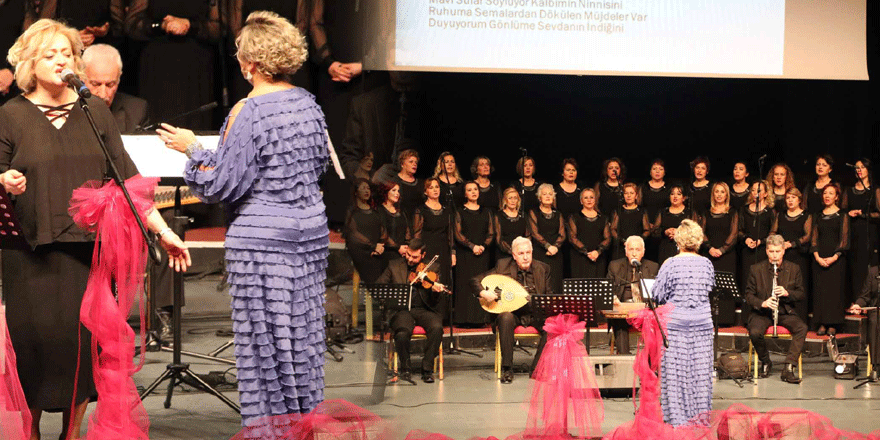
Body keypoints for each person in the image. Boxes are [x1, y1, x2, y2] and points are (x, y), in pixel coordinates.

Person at [1, 19, 189, 439]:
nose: (61, 61)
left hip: (86, 254)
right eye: (50, 54)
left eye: (67, 53)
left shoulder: (93, 110)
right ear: (30, 63)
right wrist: (4, 180)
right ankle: (31, 433)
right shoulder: (10, 116)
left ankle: (71, 435)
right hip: (29, 255)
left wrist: (163, 233)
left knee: (80, 351)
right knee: (34, 349)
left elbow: (128, 183)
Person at [157, 11, 328, 422]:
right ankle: (300, 424)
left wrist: (192, 150)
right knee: (301, 341)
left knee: (268, 349)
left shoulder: (248, 110)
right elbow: (318, 164)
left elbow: (219, 186)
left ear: (251, 62)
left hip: (263, 245)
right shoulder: (307, 103)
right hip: (309, 236)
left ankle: (275, 428)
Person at [651, 219, 714, 427]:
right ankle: (699, 418)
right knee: (700, 374)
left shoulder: (670, 263)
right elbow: (708, 290)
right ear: (698, 240)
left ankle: (677, 420)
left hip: (676, 326)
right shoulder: (707, 264)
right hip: (702, 325)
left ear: (678, 240)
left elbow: (658, 295)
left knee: (676, 375)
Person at [125, 0, 221, 131]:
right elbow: (131, 26)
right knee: (157, 124)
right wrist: (161, 25)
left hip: (196, 68)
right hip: (158, 66)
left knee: (196, 125)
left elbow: (219, 29)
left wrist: (189, 25)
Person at [473, 237, 553, 384]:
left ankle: (536, 368)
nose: (525, 257)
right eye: (521, 253)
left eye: (528, 252)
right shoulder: (503, 265)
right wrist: (483, 293)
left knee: (553, 325)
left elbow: (548, 296)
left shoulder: (543, 268)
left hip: (535, 314)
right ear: (514, 255)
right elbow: (475, 280)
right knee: (505, 318)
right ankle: (507, 369)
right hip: (513, 314)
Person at [375, 239, 446, 383]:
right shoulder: (394, 265)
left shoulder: (433, 267)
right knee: (402, 333)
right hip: (402, 311)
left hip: (424, 309)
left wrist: (435, 290)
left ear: (423, 255)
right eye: (408, 255)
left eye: (415, 257)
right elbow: (379, 287)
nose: (410, 259)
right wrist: (391, 298)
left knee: (437, 328)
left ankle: (427, 368)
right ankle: (405, 368)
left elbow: (436, 299)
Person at [744, 234, 807, 384]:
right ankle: (766, 361)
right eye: (771, 251)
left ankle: (789, 367)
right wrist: (763, 303)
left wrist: (787, 293)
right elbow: (748, 295)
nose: (774, 255)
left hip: (785, 311)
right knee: (755, 332)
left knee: (802, 328)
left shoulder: (794, 268)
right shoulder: (756, 269)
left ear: (783, 250)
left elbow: (801, 294)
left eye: (777, 251)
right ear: (766, 251)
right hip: (762, 312)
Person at [605, 236, 659, 354]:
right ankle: (624, 356)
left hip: (644, 309)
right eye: (631, 249)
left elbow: (656, 292)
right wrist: (613, 297)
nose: (634, 253)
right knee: (619, 321)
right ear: (626, 252)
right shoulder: (615, 266)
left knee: (653, 319)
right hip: (622, 309)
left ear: (643, 252)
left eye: (637, 250)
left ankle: (650, 358)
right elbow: (608, 290)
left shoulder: (652, 267)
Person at [82, 43, 149, 133]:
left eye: (110, 85)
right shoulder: (66, 109)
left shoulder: (137, 111)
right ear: (81, 78)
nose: (102, 95)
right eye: (95, 84)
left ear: (118, 79)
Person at [453, 181, 494, 327]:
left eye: (475, 189)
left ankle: (480, 319)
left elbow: (491, 232)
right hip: (465, 253)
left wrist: (483, 246)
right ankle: (463, 319)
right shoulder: (460, 211)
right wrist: (472, 246)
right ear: (465, 194)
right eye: (469, 190)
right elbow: (458, 233)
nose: (473, 192)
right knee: (465, 285)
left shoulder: (486, 211)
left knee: (481, 284)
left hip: (482, 254)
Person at [811, 183, 849, 336]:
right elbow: (814, 239)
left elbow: (844, 240)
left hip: (836, 259)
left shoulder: (842, 215)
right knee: (820, 291)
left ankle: (833, 324)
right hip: (819, 258)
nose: (827, 196)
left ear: (837, 197)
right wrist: (817, 257)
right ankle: (822, 322)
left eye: (831, 193)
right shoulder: (818, 215)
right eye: (825, 193)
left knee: (834, 291)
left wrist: (834, 257)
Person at [771, 187, 812, 322]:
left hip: (799, 255)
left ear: (799, 200)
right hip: (783, 256)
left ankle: (800, 318)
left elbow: (807, 236)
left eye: (793, 197)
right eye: (788, 198)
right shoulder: (780, 215)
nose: (790, 200)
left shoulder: (806, 215)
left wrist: (792, 244)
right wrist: (779, 243)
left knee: (798, 285)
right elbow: (773, 232)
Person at [842, 159, 880, 305]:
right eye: (857, 167)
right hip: (852, 233)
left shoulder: (874, 190)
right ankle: (853, 302)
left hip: (868, 233)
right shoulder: (849, 190)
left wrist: (863, 215)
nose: (859, 170)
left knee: (866, 268)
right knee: (853, 268)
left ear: (868, 170)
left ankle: (866, 303)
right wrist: (848, 213)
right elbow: (842, 211)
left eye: (862, 167)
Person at [343, 179, 387, 283]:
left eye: (368, 188)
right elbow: (353, 234)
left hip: (376, 252)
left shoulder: (375, 211)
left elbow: (383, 230)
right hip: (360, 251)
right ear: (356, 192)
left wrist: (380, 245)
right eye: (363, 188)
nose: (367, 191)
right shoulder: (351, 211)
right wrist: (373, 246)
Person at [530, 183, 565, 295]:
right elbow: (534, 233)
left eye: (550, 194)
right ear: (539, 197)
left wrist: (555, 247)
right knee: (541, 283)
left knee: (555, 283)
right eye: (544, 194)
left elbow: (562, 234)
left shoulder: (558, 214)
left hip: (556, 253)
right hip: (540, 252)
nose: (548, 196)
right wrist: (548, 246)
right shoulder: (534, 212)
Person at [568, 188, 610, 278]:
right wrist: (587, 253)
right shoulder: (574, 217)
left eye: (591, 197)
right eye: (586, 198)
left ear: (595, 200)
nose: (589, 200)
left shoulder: (603, 218)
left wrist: (597, 252)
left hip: (598, 258)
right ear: (581, 201)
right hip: (579, 257)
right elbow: (572, 238)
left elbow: (607, 238)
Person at [847, 265, 880, 381]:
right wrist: (858, 304)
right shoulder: (873, 272)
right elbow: (865, 296)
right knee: (875, 320)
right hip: (877, 310)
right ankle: (877, 366)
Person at [739, 180, 774, 288]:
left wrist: (761, 241)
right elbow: (739, 230)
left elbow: (773, 232)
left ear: (766, 194)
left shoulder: (770, 211)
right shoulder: (744, 209)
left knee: (762, 282)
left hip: (763, 251)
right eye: (753, 190)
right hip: (747, 250)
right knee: (747, 281)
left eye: (759, 191)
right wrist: (746, 239)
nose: (755, 193)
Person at [610, 182, 650, 260]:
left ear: (636, 195)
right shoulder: (618, 210)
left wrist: (635, 242)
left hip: (637, 248)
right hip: (621, 248)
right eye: (626, 193)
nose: (629, 196)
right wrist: (624, 241)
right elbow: (613, 229)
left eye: (631, 193)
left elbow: (647, 230)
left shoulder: (642, 211)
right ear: (623, 195)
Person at [653, 185, 691, 266]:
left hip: (683, 250)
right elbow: (654, 232)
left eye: (679, 194)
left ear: (684, 198)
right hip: (665, 249)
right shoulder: (663, 212)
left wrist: (679, 233)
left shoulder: (689, 213)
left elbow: (695, 233)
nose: (675, 196)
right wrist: (665, 232)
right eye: (672, 194)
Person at [378, 182, 410, 264]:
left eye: (398, 191)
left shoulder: (401, 211)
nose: (397, 193)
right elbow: (383, 234)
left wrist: (407, 247)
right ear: (386, 192)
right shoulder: (379, 211)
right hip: (387, 253)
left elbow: (407, 230)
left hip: (403, 254)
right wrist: (398, 247)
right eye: (394, 190)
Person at [495, 187, 530, 258]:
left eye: (515, 198)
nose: (513, 201)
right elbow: (498, 239)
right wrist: (513, 251)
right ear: (505, 200)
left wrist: (522, 251)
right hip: (504, 254)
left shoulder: (523, 216)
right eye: (510, 198)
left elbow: (527, 236)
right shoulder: (498, 215)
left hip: (521, 255)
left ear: (518, 200)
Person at [395, 149, 422, 222]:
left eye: (416, 162)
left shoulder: (420, 183)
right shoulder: (394, 181)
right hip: (400, 221)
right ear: (402, 164)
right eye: (411, 162)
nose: (414, 164)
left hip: (417, 222)